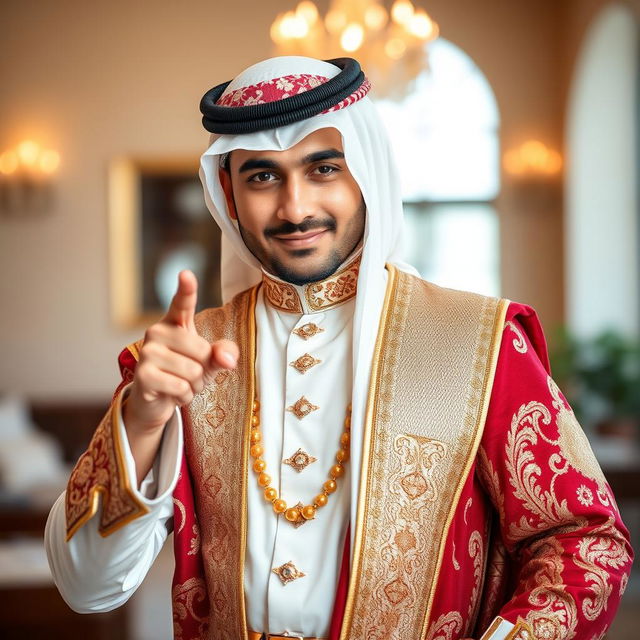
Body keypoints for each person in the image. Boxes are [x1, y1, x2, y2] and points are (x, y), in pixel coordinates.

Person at [46, 56, 633, 640]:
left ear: (367, 173)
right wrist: (142, 419)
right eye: (262, 176)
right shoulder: (182, 360)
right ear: (227, 193)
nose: (295, 208)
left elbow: (586, 542)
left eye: (324, 168)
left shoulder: (481, 342)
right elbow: (86, 587)